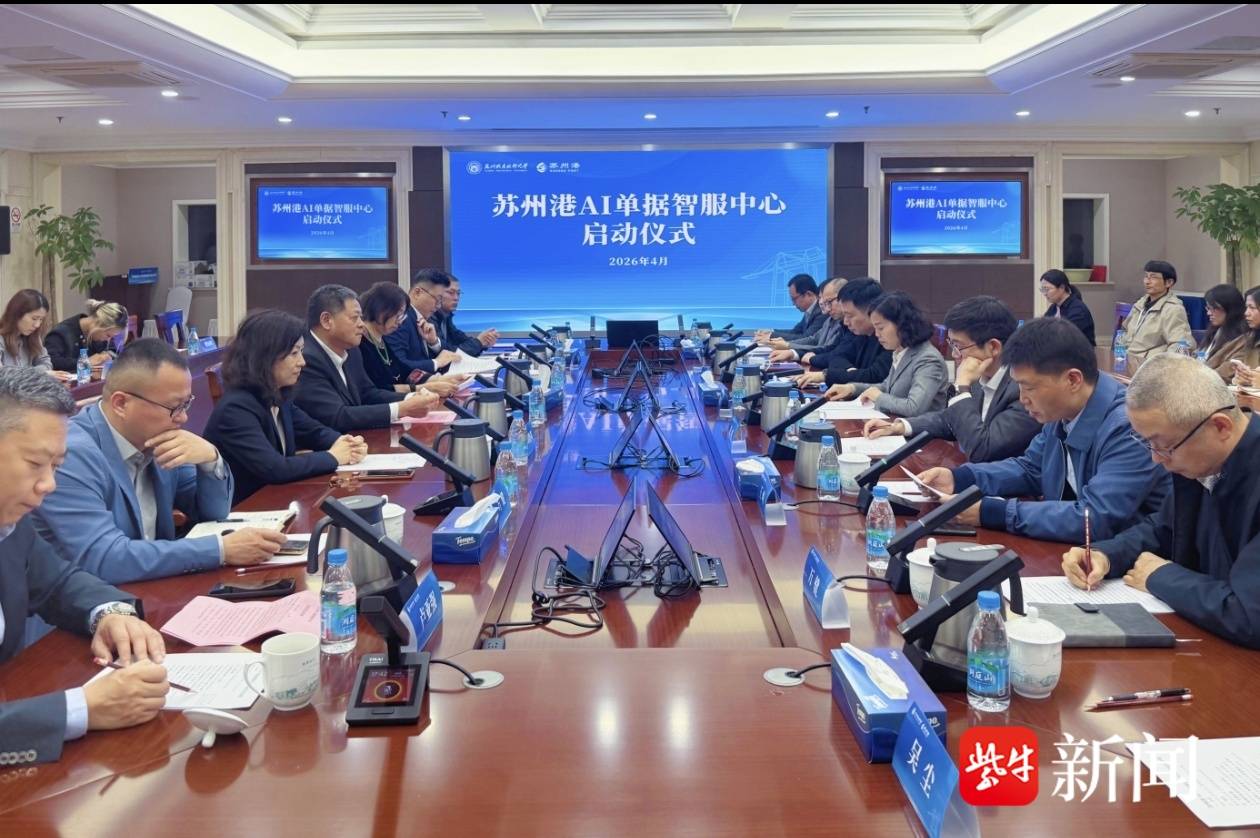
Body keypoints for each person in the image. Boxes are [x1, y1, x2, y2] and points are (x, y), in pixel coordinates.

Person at [0, 367, 170, 764]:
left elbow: (58, 582)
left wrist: (108, 614)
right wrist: (81, 709)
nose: (49, 484)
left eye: (56, 466)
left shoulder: (11, 525)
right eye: (35, 463)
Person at [30, 339, 285, 583]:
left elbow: (211, 513)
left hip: (151, 585)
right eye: (175, 407)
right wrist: (220, 550)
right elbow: (105, 558)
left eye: (187, 404)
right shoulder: (70, 455)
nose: (183, 418)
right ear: (121, 403)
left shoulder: (156, 438)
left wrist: (211, 459)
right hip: (91, 604)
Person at [1063, 355, 1260, 648]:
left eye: (1164, 446)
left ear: (1220, 427)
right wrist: (1105, 555)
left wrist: (1160, 576)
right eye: (1149, 444)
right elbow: (1163, 529)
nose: (1156, 459)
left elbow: (1249, 615)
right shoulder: (1200, 460)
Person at [915, 318, 1169, 542]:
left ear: (1073, 379)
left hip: (1127, 563)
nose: (1022, 398)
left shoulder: (1128, 426)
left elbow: (1095, 517)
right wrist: (960, 478)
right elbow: (1031, 468)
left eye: (1029, 388)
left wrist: (992, 512)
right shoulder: (1062, 411)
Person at [204, 310, 369, 505]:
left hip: (277, 502)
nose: (302, 362)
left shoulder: (277, 395)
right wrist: (333, 457)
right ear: (264, 357)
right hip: (244, 509)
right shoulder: (236, 409)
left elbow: (314, 431)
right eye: (294, 353)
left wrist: (346, 443)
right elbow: (275, 468)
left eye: (301, 351)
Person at [865, 296, 1040, 463]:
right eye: (952, 345)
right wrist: (902, 426)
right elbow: (950, 419)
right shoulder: (980, 376)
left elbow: (983, 449)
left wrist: (962, 387)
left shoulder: (1023, 390)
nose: (954, 355)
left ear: (993, 347)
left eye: (959, 346)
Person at [295, 284, 439, 432]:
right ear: (326, 320)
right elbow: (337, 416)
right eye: (354, 318)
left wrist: (412, 398)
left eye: (361, 317)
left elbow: (368, 394)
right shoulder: (305, 360)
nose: (361, 324)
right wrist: (401, 409)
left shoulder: (352, 351)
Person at [822, 291, 948, 418]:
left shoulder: (928, 359)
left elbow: (914, 407)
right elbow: (886, 386)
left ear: (902, 325)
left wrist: (879, 397)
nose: (877, 334)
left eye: (880, 328)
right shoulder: (901, 351)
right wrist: (852, 388)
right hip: (895, 423)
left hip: (919, 429)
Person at [358, 282, 465, 397]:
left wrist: (439, 379)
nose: (400, 321)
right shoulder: (360, 344)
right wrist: (423, 388)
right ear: (380, 310)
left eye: (402, 316)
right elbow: (379, 389)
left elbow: (405, 371)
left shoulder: (380, 339)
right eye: (398, 315)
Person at [794, 278, 891, 390]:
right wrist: (851, 372)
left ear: (871, 311)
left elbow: (874, 376)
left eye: (850, 316)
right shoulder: (861, 334)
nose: (845, 322)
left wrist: (827, 375)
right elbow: (837, 356)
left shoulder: (890, 338)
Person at [1118, 260, 1194, 369]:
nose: (1147, 281)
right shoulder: (1140, 304)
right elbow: (1124, 330)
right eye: (1146, 276)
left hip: (1149, 366)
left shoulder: (1173, 309)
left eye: (1153, 277)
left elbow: (1180, 344)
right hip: (1127, 360)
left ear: (1169, 282)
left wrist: (1162, 366)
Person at [385, 270, 461, 376]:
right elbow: (398, 365)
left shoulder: (426, 319)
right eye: (437, 299)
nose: (438, 305)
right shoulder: (400, 319)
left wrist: (434, 343)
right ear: (417, 293)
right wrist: (436, 363)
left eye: (440, 301)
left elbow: (447, 355)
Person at [767, 278, 847, 363]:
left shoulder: (838, 320)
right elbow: (813, 339)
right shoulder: (830, 319)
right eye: (820, 298)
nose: (822, 304)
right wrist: (787, 345)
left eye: (828, 301)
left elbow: (828, 349)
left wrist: (788, 346)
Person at [45, 299, 128, 372]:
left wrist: (107, 355)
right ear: (98, 324)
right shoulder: (60, 333)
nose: (108, 340)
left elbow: (113, 351)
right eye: (108, 335)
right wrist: (85, 362)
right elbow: (52, 361)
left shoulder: (99, 334)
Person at [434, 274, 498, 356]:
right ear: (438, 294)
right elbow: (448, 352)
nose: (456, 298)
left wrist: (483, 343)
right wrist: (479, 342)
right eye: (451, 293)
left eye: (458, 293)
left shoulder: (446, 317)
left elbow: (462, 340)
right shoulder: (430, 319)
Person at [1198, 284, 1249, 382]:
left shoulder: (1242, 339)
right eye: (1208, 308)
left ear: (1230, 308)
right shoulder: (1215, 330)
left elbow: (1228, 370)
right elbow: (1199, 356)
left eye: (1214, 309)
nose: (1209, 313)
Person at [757, 274, 823, 345]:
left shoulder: (821, 311)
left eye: (794, 299)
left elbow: (805, 338)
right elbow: (794, 332)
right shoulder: (810, 310)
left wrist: (771, 335)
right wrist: (771, 332)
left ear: (808, 294)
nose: (793, 304)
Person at [1039, 269, 1095, 347]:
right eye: (1043, 290)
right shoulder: (1054, 307)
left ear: (1062, 288)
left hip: (1078, 351)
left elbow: (1065, 336)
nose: (1045, 293)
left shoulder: (1078, 309)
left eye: (1047, 289)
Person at [0, 289, 52, 370]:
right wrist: (37, 372)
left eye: (41, 319)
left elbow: (47, 364)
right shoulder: (1, 338)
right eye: (34, 318)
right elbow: (2, 374)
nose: (37, 325)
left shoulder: (33, 336)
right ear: (17, 314)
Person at [1227, 286, 1260, 388]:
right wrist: (1241, 378)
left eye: (1252, 307)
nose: (1246, 313)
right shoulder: (1252, 338)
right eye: (1246, 307)